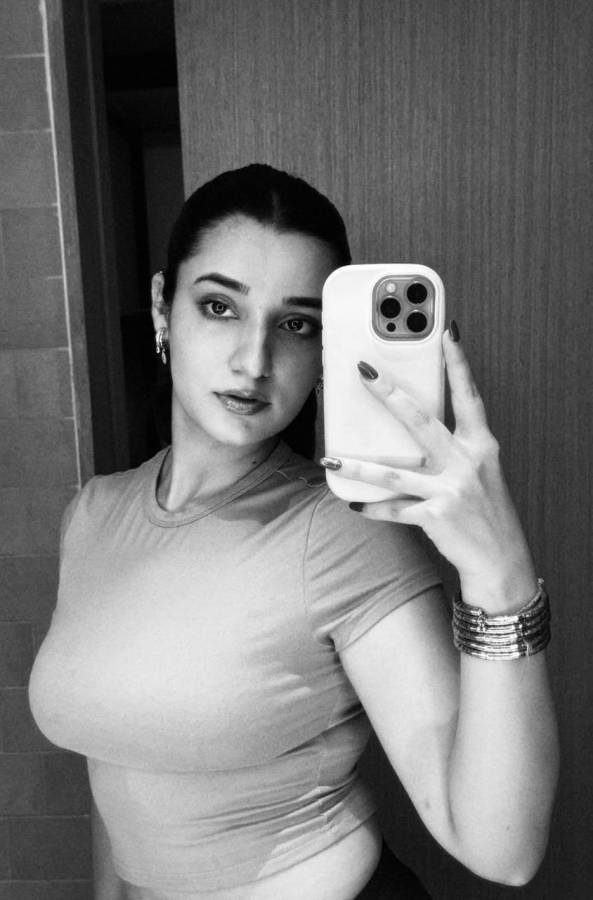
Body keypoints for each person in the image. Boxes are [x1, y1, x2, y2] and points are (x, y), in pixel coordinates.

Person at [28, 164, 558, 900]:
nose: (254, 361)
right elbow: (113, 757)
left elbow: (503, 851)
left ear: (326, 348)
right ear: (162, 306)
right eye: (220, 306)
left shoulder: (344, 533)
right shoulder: (92, 515)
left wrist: (498, 571)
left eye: (297, 324)